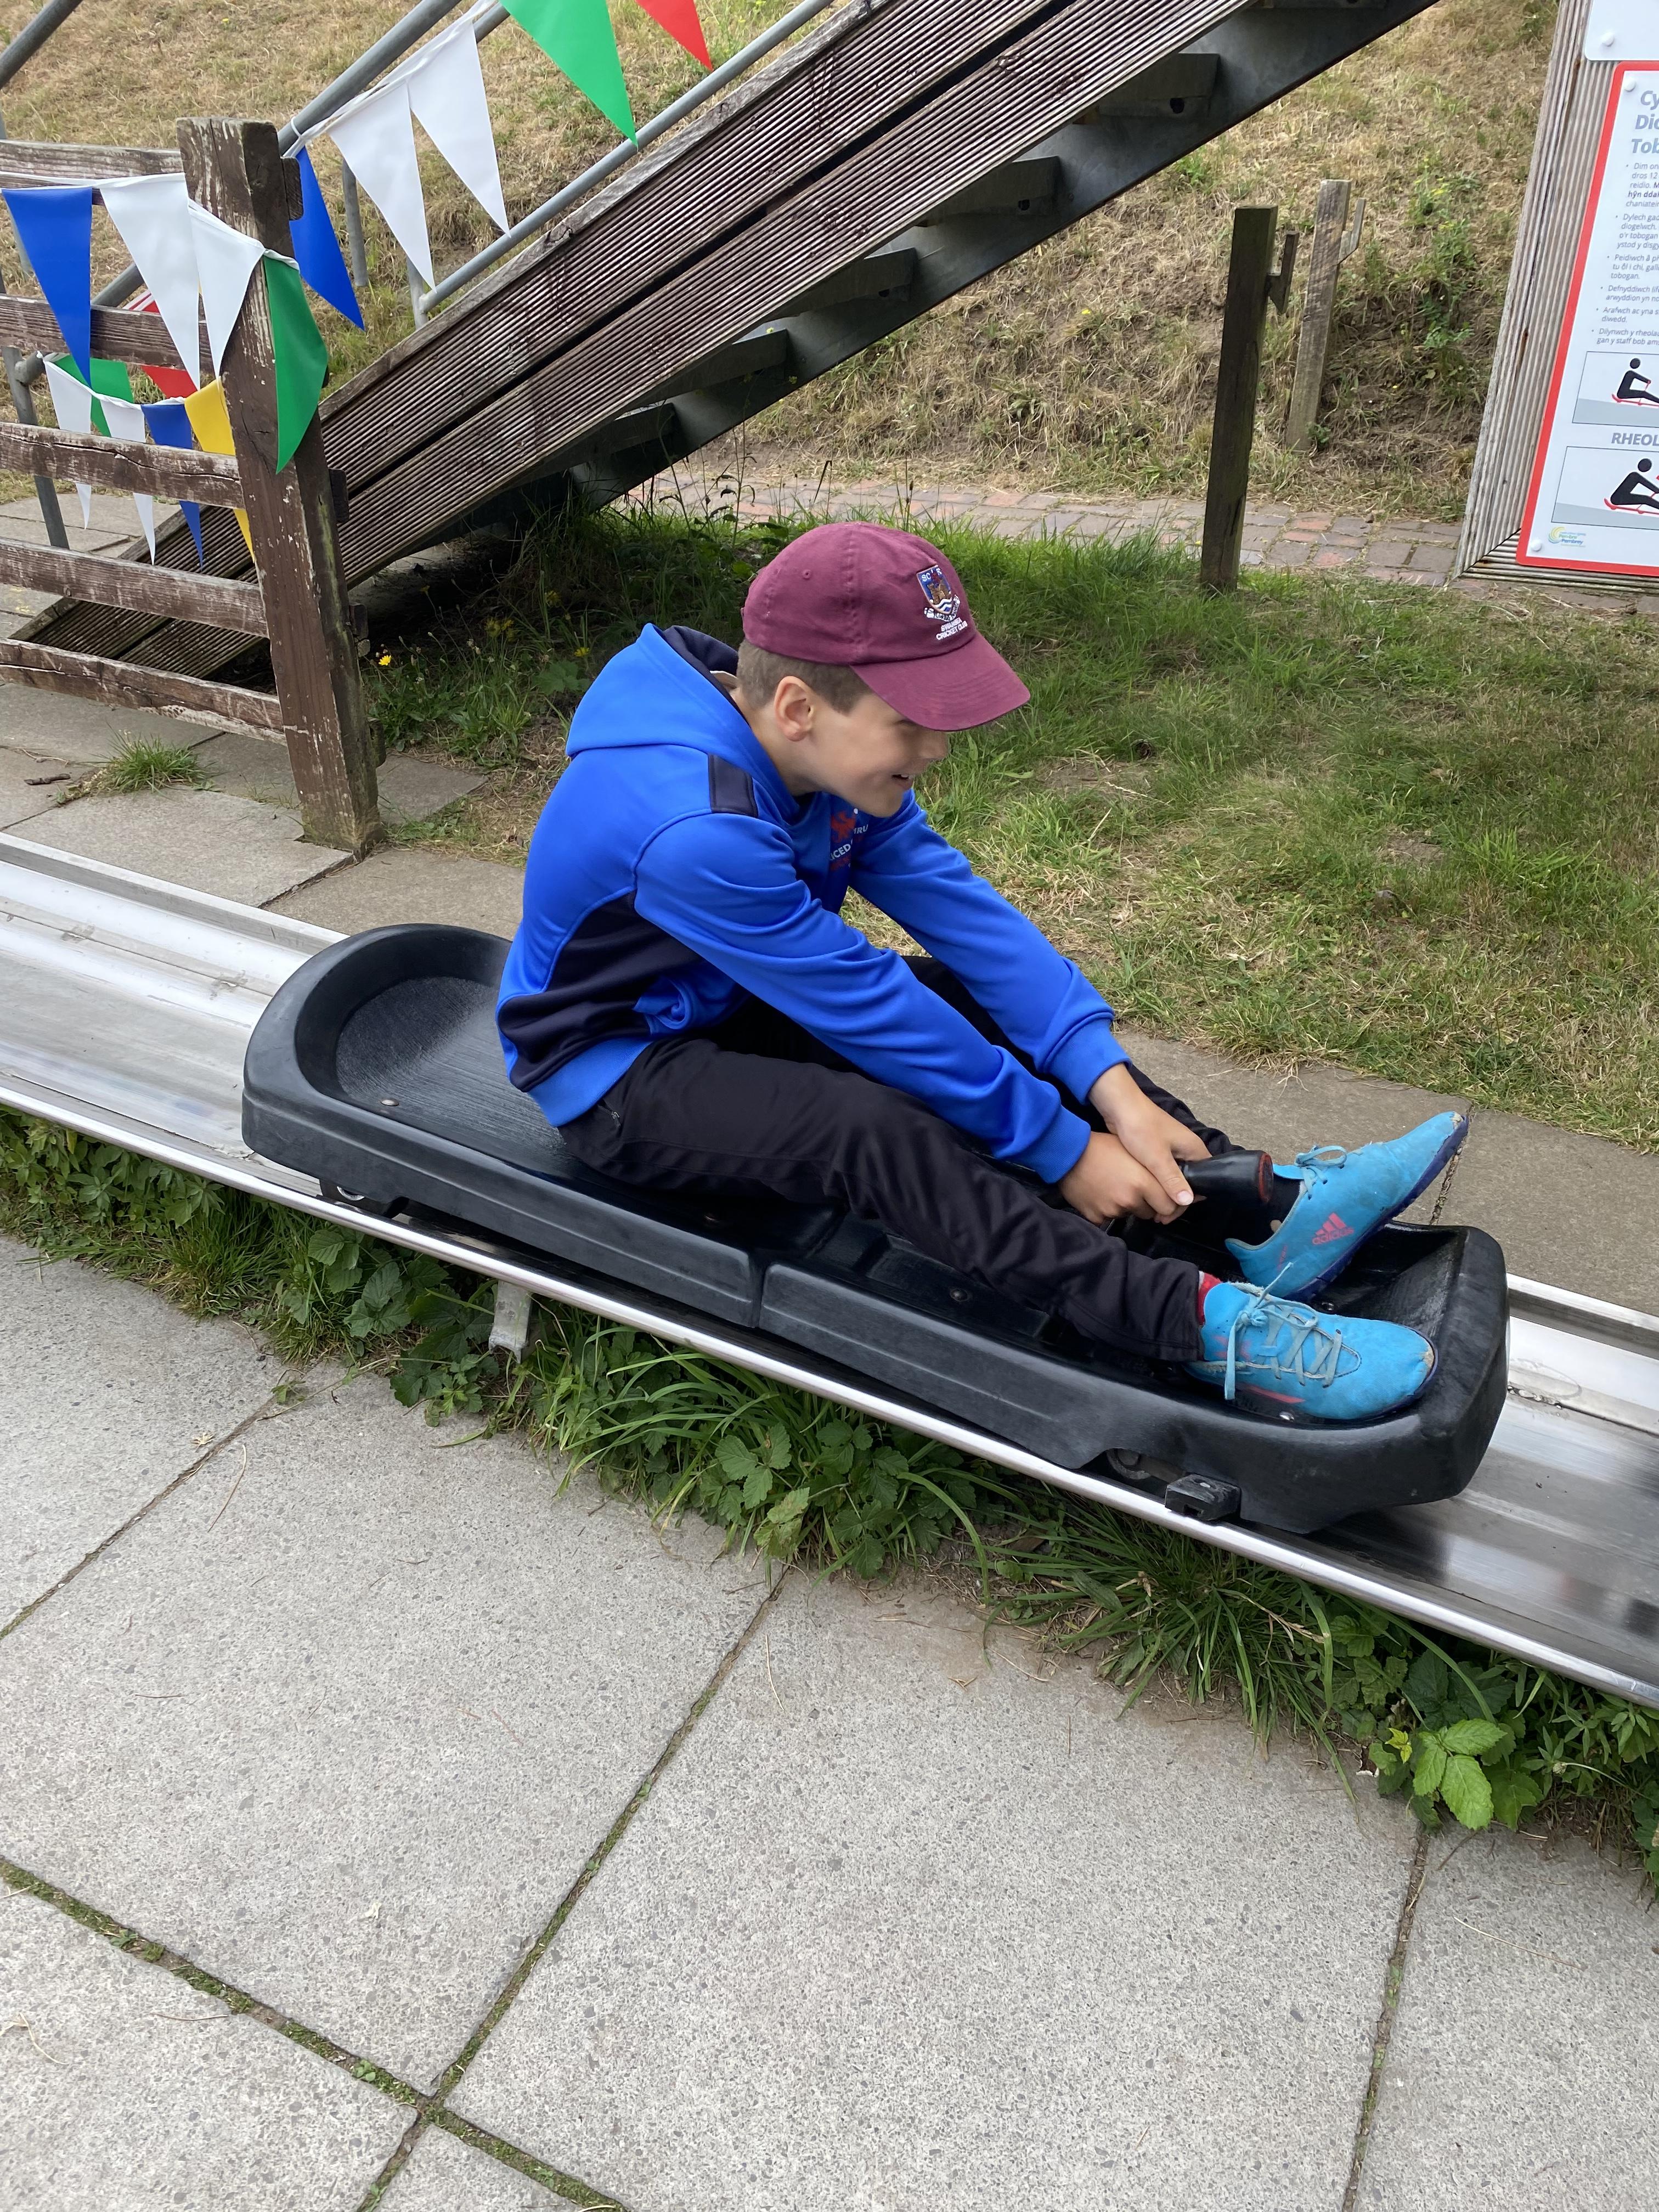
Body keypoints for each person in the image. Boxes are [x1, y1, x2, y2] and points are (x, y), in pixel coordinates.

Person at [498, 523, 1466, 1422]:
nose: (938, 747)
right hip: (615, 1071)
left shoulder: (807, 746)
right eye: (911, 721)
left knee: (960, 999)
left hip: (728, 1002)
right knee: (870, 1132)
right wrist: (1060, 1148)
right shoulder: (692, 824)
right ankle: (1191, 1325)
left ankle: (1264, 1216)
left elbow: (967, 919)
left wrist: (1109, 1088)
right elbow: (865, 1007)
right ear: (799, 708)